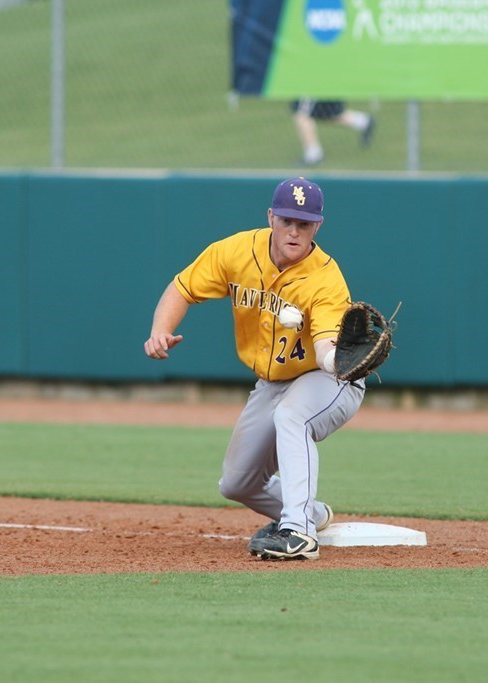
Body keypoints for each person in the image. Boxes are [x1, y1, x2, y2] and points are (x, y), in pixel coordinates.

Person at [143, 177, 364, 560]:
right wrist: (160, 331)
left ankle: (298, 533)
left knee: (293, 416)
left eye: (304, 223)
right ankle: (310, 512)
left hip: (331, 378)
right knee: (237, 483)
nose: (294, 231)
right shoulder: (236, 250)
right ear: (271, 217)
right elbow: (182, 287)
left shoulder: (326, 278)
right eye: (287, 221)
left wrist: (337, 360)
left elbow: (327, 345)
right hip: (273, 381)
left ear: (318, 226)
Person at [291, 99, 375, 166]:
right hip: (323, 83)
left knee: (302, 114)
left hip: (313, 84)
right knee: (329, 113)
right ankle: (363, 121)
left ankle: (313, 154)